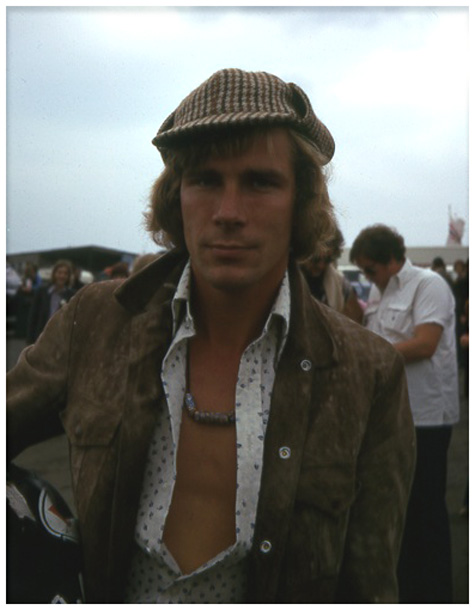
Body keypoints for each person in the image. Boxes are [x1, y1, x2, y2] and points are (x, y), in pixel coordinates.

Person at [7, 68, 415, 603]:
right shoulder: (95, 323)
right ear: (176, 196)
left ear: (302, 201)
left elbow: (370, 583)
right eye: (205, 180)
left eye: (260, 182)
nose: (228, 213)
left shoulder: (368, 372)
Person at [350, 224, 459, 603]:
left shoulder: (429, 285)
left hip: (427, 415)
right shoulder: (380, 293)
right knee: (400, 507)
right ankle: (410, 588)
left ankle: (436, 594)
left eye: (369, 270)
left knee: (426, 508)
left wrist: (366, 358)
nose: (367, 278)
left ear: (392, 260)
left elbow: (426, 344)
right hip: (394, 415)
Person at [300, 227, 363, 323]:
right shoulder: (285, 280)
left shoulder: (341, 285)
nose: (321, 266)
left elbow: (354, 324)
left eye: (327, 260)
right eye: (315, 260)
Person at [26, 259, 75, 344]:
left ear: (68, 277)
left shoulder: (71, 295)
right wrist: (30, 342)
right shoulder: (42, 291)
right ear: (54, 274)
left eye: (65, 273)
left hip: (60, 340)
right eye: (59, 272)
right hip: (40, 337)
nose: (62, 276)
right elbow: (33, 317)